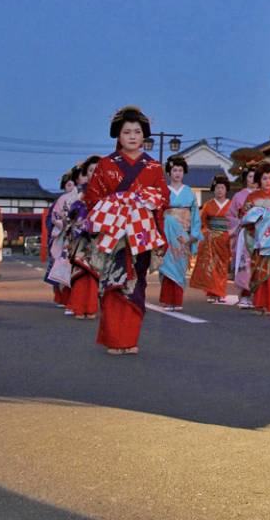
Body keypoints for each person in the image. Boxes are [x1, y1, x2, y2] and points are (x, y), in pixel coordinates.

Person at [83, 106, 168, 356]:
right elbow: (92, 198)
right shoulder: (106, 164)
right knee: (113, 282)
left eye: (137, 132)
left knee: (136, 283)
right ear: (118, 136)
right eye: (127, 132)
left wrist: (144, 200)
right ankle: (114, 338)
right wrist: (117, 203)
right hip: (114, 234)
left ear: (144, 136)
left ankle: (130, 338)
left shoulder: (153, 167)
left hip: (139, 234)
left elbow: (163, 198)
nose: (132, 136)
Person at [158, 155, 200, 311]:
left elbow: (195, 214)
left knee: (180, 265)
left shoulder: (189, 192)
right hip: (167, 232)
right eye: (174, 170)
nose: (177, 173)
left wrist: (194, 234)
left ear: (184, 172)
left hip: (183, 233)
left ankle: (177, 300)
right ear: (169, 172)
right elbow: (159, 213)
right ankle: (167, 299)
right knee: (167, 264)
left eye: (180, 170)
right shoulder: (163, 191)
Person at [240, 181, 270, 315]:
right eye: (264, 177)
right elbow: (244, 215)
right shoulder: (252, 197)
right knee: (259, 271)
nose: (267, 181)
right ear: (259, 180)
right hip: (258, 238)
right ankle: (259, 304)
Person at [63, 156, 102, 319]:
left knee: (94, 273)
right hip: (82, 237)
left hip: (99, 237)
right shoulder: (81, 193)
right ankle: (79, 307)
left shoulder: (109, 192)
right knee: (81, 272)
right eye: (91, 170)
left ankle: (91, 308)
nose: (95, 173)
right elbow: (71, 214)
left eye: (98, 170)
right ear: (86, 173)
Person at [191, 174, 234, 303]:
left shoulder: (231, 205)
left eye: (222, 188)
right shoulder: (208, 205)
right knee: (211, 266)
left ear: (226, 190)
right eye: (217, 188)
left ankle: (220, 292)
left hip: (226, 238)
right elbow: (201, 222)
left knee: (222, 266)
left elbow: (234, 222)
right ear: (213, 190)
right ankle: (212, 292)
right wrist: (206, 232)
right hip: (211, 239)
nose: (220, 190)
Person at [226, 167, 260, 306]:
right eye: (250, 176)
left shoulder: (262, 195)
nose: (253, 179)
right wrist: (240, 223)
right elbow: (230, 215)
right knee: (245, 263)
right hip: (245, 231)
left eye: (255, 177)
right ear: (246, 178)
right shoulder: (239, 196)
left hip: (260, 232)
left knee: (259, 263)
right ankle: (245, 295)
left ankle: (257, 295)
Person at [46, 169, 79, 309]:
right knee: (59, 268)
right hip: (61, 237)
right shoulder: (60, 201)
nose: (70, 188)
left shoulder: (80, 198)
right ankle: (61, 297)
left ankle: (72, 298)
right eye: (68, 185)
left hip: (75, 237)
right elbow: (51, 220)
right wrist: (60, 225)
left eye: (72, 185)